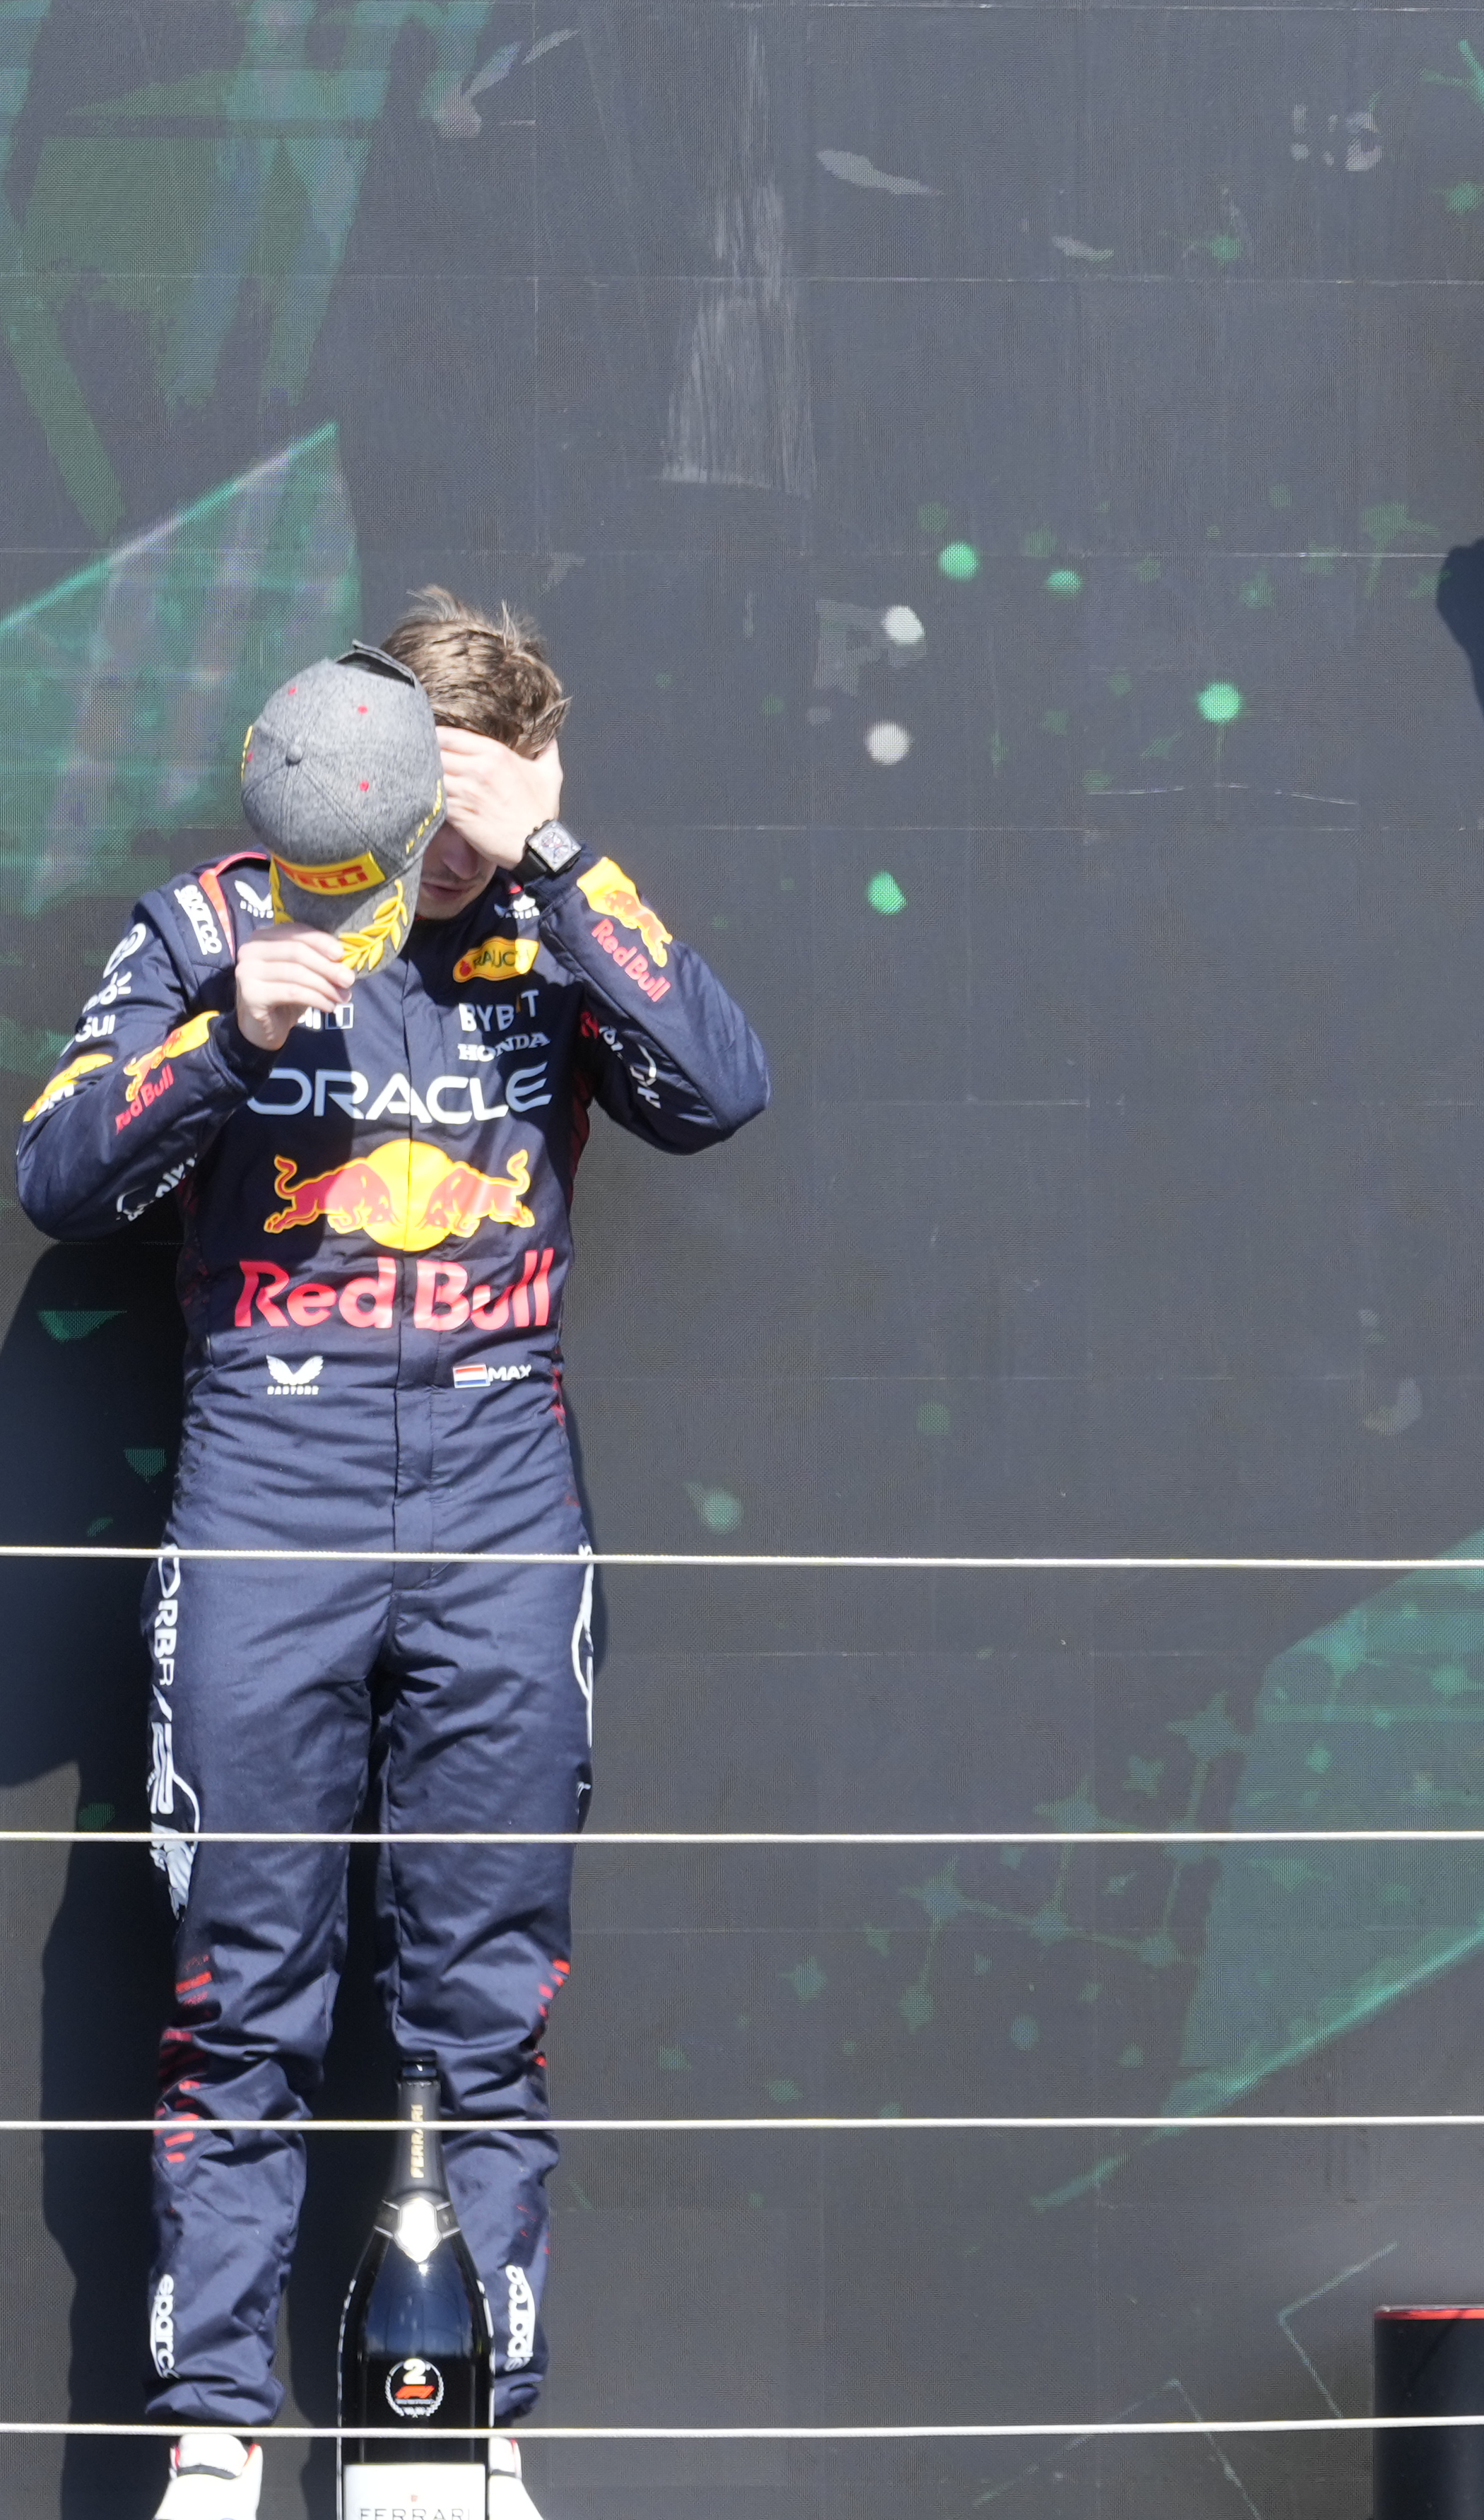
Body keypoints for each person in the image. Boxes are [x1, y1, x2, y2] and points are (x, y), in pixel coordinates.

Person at [16, 594, 771, 2520]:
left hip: (505, 1502)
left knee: (486, 1995)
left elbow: (722, 1085)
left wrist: (564, 858)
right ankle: (210, 2438)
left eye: (465, 813)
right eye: (403, 810)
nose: (426, 858)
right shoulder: (223, 918)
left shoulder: (547, 918)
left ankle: (465, 2436)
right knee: (239, 1990)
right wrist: (223, 1038)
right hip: (271, 1486)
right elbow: (57, 1172)